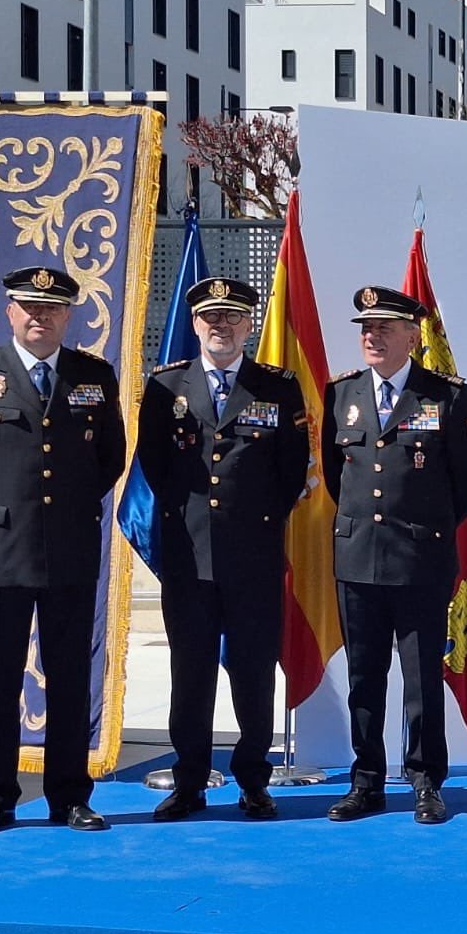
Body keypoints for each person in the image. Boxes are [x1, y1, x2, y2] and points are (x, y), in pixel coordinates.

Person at [0, 266, 125, 835]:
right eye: (29, 307)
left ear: (69, 316)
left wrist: (64, 509)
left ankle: (69, 796)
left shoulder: (93, 376)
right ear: (10, 312)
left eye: (52, 309)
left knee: (68, 676)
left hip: (67, 548)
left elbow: (109, 456)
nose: (40, 317)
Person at [136, 277, 309, 823]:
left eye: (233, 317)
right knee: (190, 673)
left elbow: (289, 472)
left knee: (254, 671)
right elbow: (155, 466)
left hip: (253, 554)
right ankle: (189, 782)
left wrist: (251, 524)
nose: (221, 326)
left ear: (248, 325)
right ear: (194, 324)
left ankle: (254, 782)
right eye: (211, 317)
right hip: (188, 555)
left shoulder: (277, 386)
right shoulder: (167, 386)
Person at [321, 287, 467, 824]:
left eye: (385, 327)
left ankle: (426, 781)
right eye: (366, 328)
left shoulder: (448, 396)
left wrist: (423, 529)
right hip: (357, 559)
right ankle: (365, 781)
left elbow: (465, 482)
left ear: (413, 335)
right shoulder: (339, 393)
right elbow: (334, 473)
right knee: (365, 678)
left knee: (420, 680)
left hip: (419, 559)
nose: (372, 336)